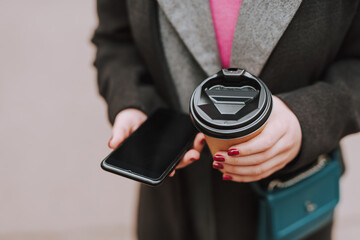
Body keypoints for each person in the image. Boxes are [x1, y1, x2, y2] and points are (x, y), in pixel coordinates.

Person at [92, 0, 360, 239]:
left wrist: (308, 116)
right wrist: (132, 100)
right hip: (171, 206)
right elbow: (115, 39)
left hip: (290, 204)